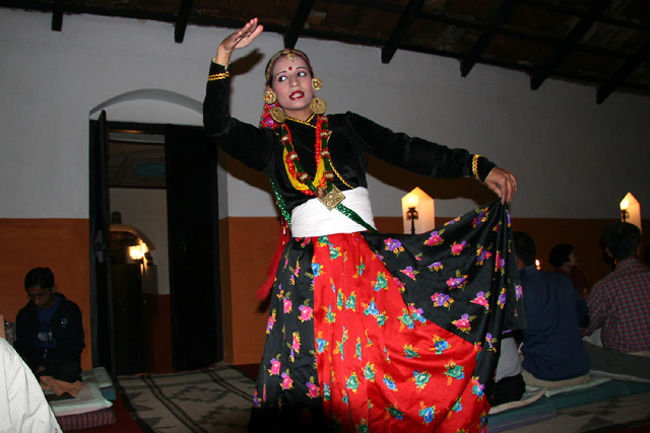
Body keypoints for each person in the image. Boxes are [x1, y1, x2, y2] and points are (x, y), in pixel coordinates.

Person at [204, 18, 524, 432]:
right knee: (311, 372)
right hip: (308, 273)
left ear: (314, 83)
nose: (293, 81)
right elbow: (218, 127)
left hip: (364, 263)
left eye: (301, 72)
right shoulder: (268, 145)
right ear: (272, 93)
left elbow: (408, 150)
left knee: (386, 360)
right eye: (282, 77)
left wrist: (476, 166)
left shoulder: (348, 127)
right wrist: (223, 56)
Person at [513, 232, 591, 387]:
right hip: (582, 371)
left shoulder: (515, 289)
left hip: (544, 375)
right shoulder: (563, 281)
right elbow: (584, 317)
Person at [583, 222, 650, 379]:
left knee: (580, 346)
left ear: (609, 252)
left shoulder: (605, 286)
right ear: (639, 248)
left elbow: (585, 325)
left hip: (631, 362)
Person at [14, 267, 85, 384]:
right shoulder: (25, 314)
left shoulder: (69, 310)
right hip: (35, 363)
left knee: (70, 368)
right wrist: (35, 364)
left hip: (61, 363)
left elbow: (75, 346)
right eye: (32, 296)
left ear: (53, 289)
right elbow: (23, 347)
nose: (36, 301)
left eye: (41, 295)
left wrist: (47, 365)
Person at [0, 336, 62, 432]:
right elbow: (25, 346)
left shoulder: (2, 350)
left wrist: (45, 365)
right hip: (34, 358)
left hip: (55, 359)